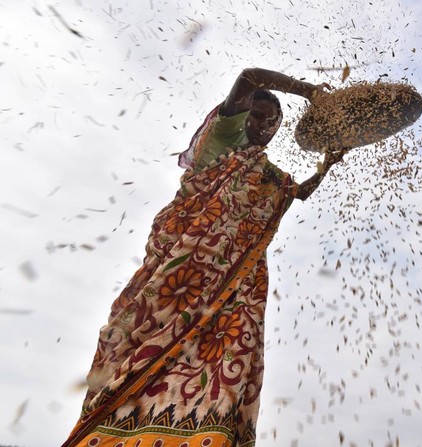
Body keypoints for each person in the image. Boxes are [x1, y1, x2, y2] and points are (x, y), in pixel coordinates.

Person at [62, 68, 347, 447]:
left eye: (273, 120)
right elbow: (248, 77)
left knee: (227, 355)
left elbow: (298, 193)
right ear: (243, 114)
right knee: (142, 348)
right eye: (258, 115)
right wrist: (307, 90)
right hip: (178, 279)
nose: (265, 124)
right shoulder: (222, 141)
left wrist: (328, 165)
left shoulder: (266, 173)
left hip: (231, 289)